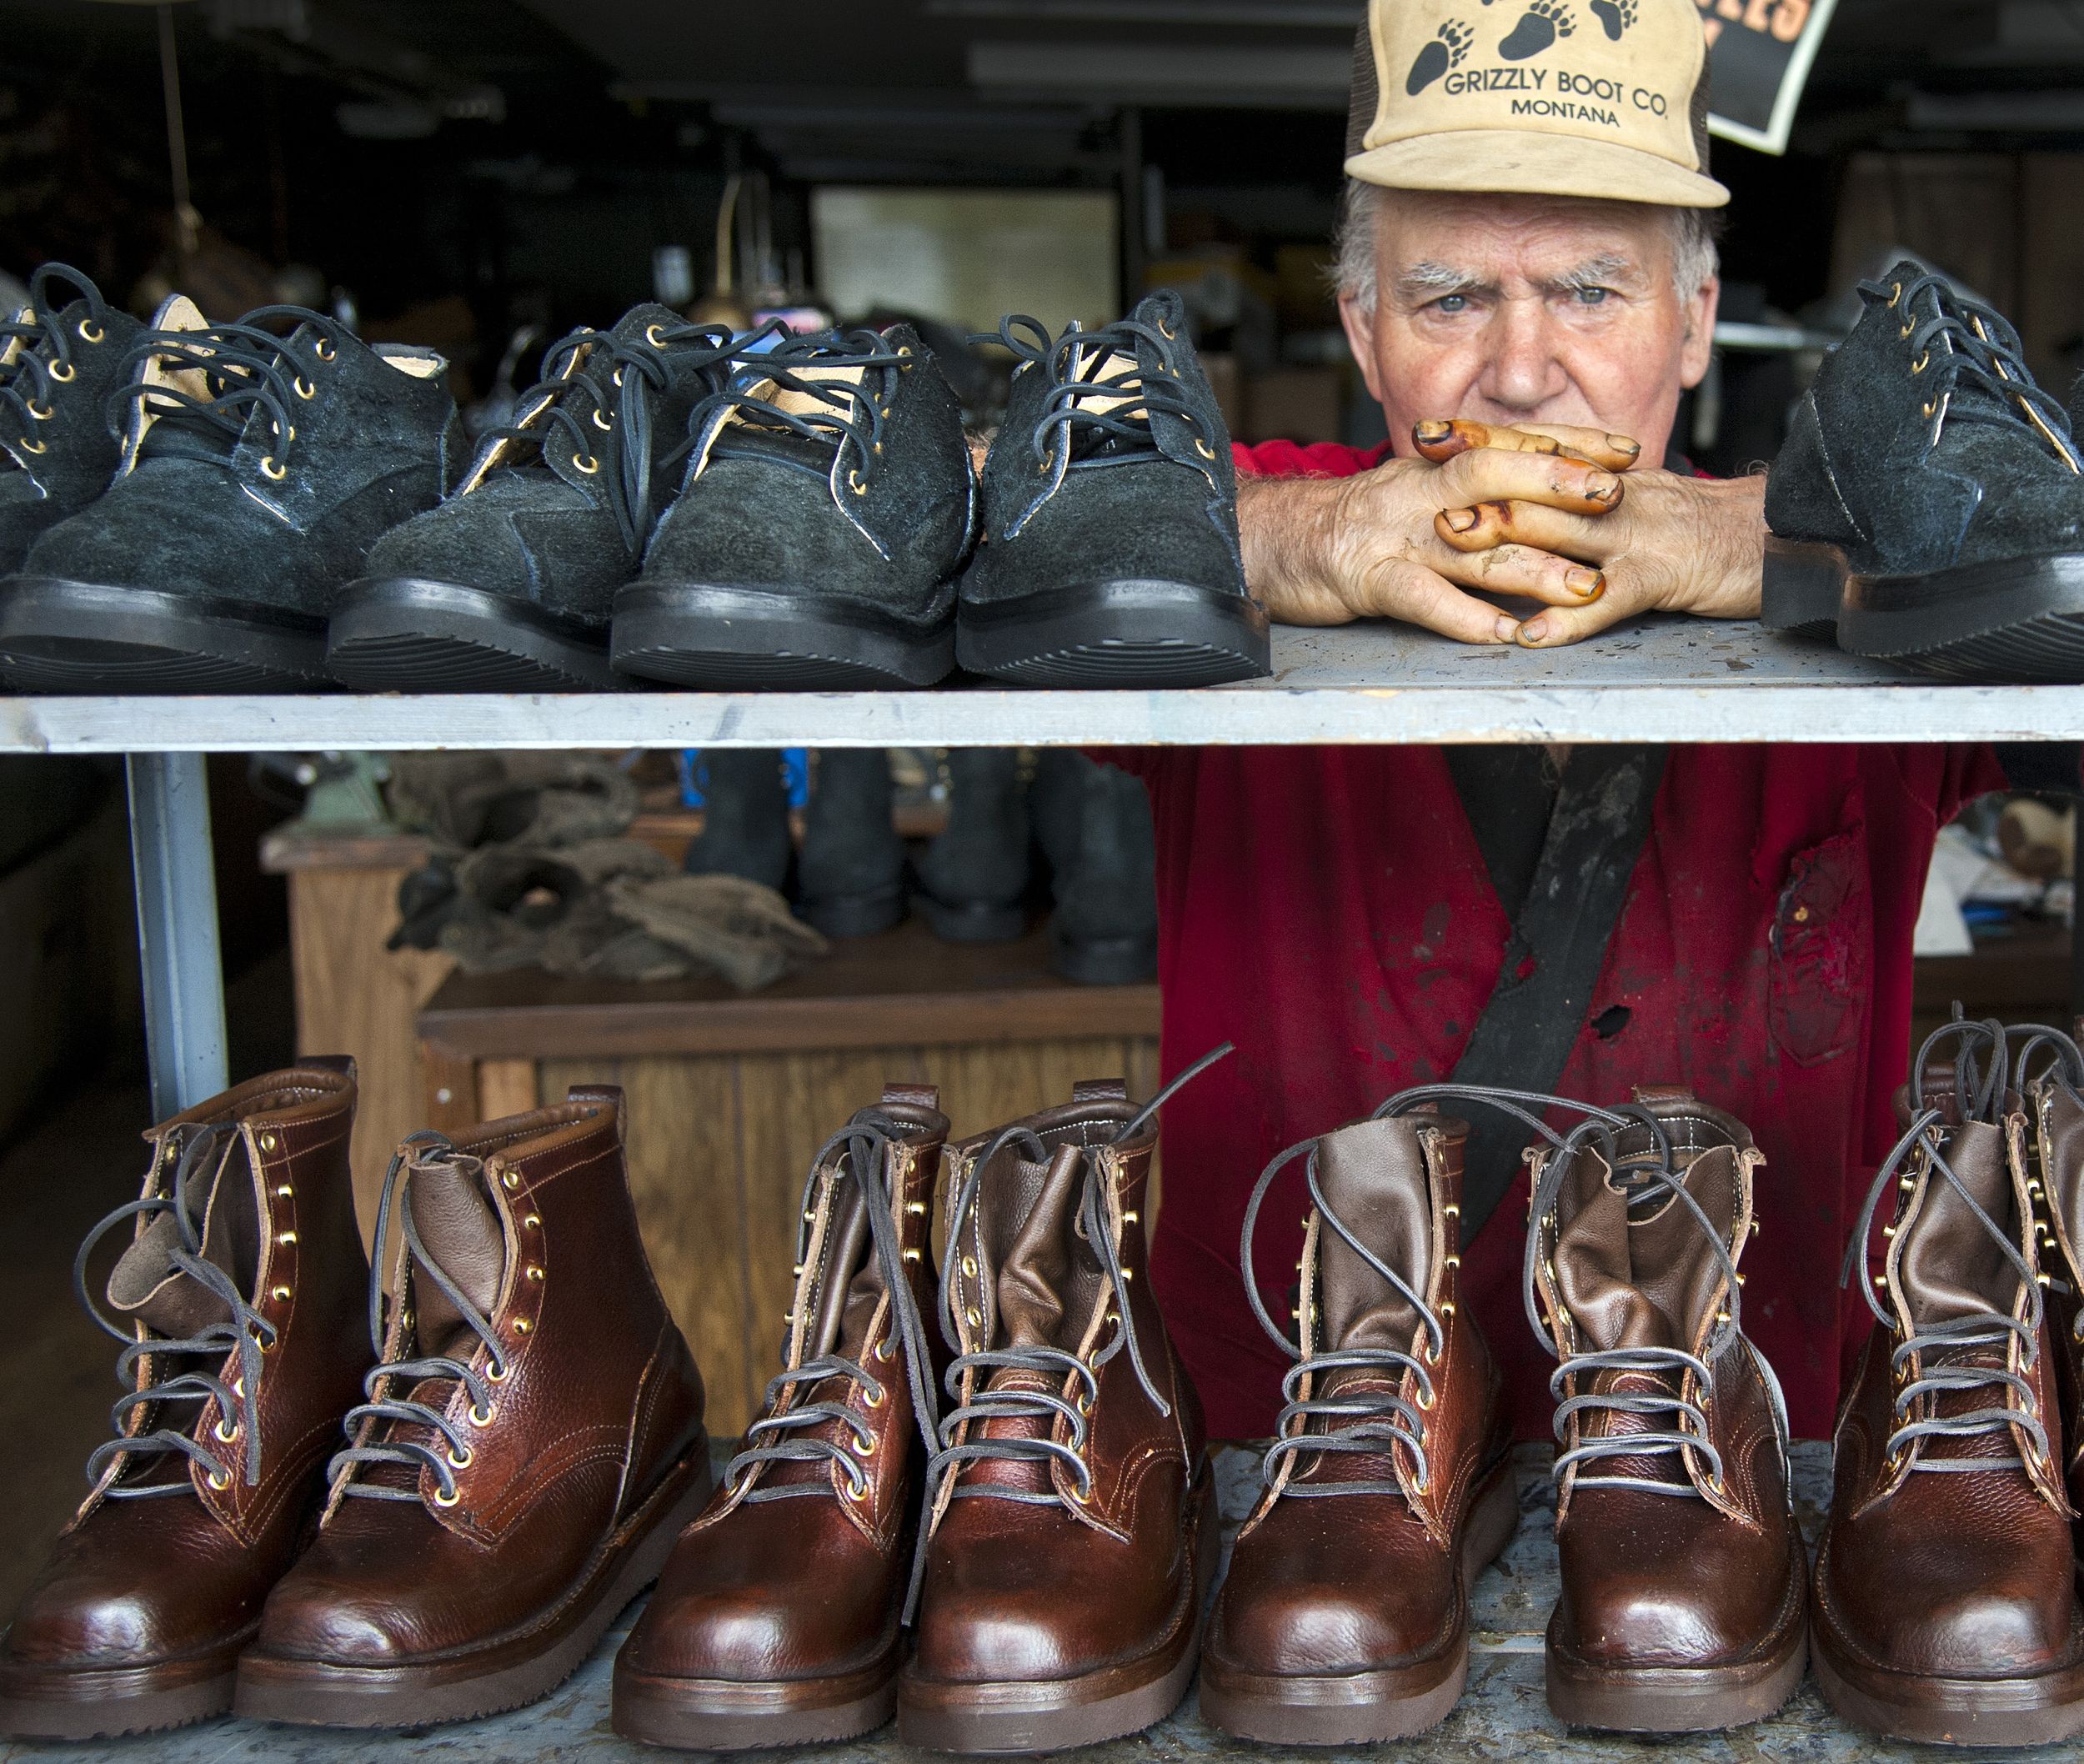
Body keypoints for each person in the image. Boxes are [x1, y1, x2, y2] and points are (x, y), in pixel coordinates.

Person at [1122, 0, 2077, 1442]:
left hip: (1746, 1480)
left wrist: (1766, 553)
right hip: (1293, 1482)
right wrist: (1295, 541)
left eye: (1589, 291)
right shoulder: (1227, 520)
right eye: (1448, 298)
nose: (1517, 370)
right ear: (1362, 330)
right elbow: (941, 508)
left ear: (1693, 323)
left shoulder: (1895, 563)